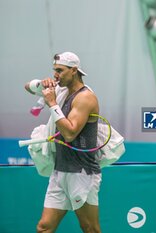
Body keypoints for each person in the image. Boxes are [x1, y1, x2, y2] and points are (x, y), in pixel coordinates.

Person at [25, 52, 102, 233]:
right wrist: (40, 84)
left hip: (82, 173)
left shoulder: (85, 98)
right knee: (44, 227)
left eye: (59, 70)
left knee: (90, 228)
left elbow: (69, 133)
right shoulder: (60, 89)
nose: (55, 75)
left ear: (74, 70)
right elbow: (27, 86)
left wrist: (52, 104)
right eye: (54, 71)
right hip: (60, 172)